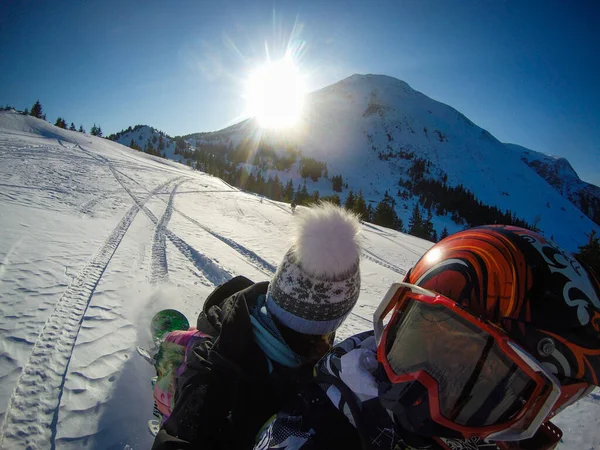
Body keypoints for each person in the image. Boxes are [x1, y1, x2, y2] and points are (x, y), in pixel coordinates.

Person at [255, 225, 600, 450]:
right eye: (418, 343)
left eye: (473, 381)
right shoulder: (316, 424)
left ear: (533, 411)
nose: (416, 394)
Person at [151, 202, 362, 449]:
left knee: (187, 342)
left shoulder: (245, 312)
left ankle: (167, 350)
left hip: (213, 345)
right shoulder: (219, 384)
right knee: (187, 351)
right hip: (200, 387)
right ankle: (165, 375)